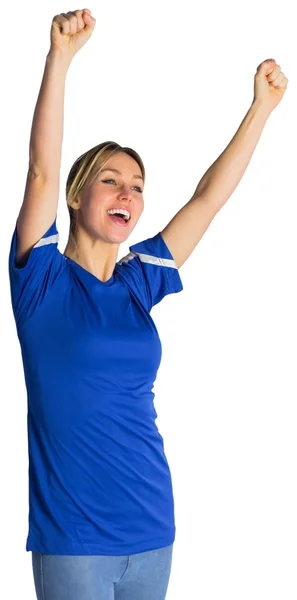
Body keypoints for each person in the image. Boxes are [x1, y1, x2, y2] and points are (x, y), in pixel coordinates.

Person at [8, 8, 288, 600]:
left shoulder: (140, 283)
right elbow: (39, 173)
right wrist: (59, 59)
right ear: (79, 196)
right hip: (75, 539)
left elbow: (207, 200)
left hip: (153, 527)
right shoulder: (41, 282)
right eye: (111, 180)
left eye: (137, 186)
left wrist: (261, 110)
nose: (128, 194)